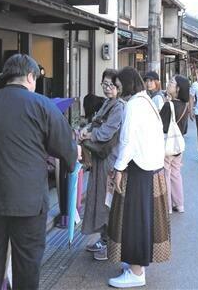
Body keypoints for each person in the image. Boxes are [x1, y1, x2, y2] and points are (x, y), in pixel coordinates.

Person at [0, 54, 79, 290]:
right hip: (29, 201)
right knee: (27, 261)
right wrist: (73, 162)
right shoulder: (43, 105)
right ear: (30, 76)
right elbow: (66, 147)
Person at [107, 67, 169, 288]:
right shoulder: (147, 101)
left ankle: (136, 272)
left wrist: (118, 169)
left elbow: (128, 142)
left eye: (119, 85)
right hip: (151, 168)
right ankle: (135, 266)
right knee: (142, 219)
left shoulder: (133, 105)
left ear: (127, 84)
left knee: (134, 221)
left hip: (138, 169)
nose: (117, 89)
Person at [79, 69, 125, 261]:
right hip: (101, 158)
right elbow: (96, 123)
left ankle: (110, 245)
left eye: (111, 85)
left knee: (107, 201)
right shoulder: (108, 103)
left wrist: (89, 134)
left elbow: (106, 132)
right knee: (98, 198)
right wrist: (86, 129)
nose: (107, 88)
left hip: (109, 160)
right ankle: (104, 238)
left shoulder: (119, 107)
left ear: (119, 87)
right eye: (104, 84)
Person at [160, 75, 189, 214]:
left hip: (167, 145)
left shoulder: (168, 105)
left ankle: (168, 206)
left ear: (178, 88)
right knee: (176, 174)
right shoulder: (185, 106)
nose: (168, 84)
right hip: (178, 146)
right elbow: (185, 129)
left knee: (166, 174)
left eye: (171, 82)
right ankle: (180, 204)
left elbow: (160, 126)